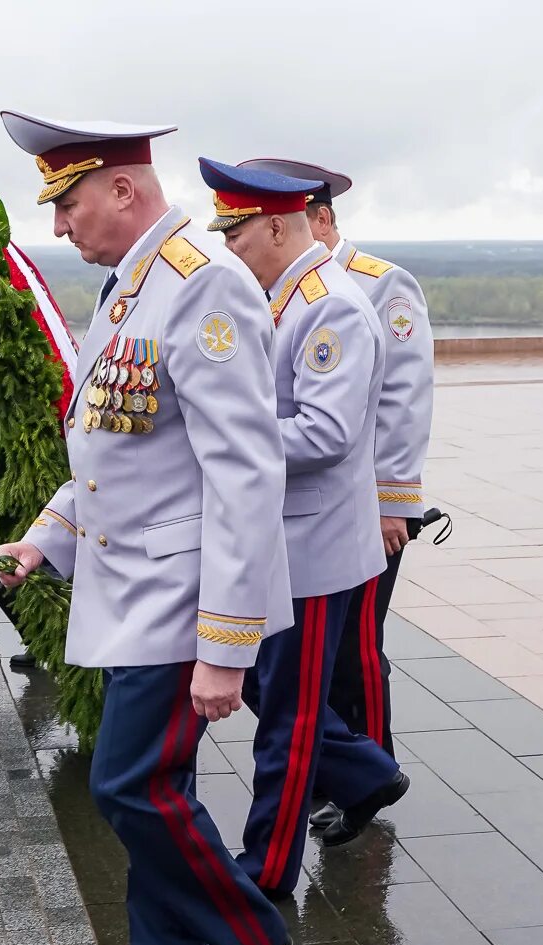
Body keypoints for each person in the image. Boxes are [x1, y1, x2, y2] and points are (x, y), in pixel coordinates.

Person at [0, 112, 294, 945]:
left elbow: (244, 477)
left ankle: (248, 940)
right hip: (131, 591)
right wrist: (44, 536)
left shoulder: (203, 288)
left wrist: (226, 646)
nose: (59, 226)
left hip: (179, 597)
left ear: (123, 190)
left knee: (132, 786)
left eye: (69, 202)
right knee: (149, 783)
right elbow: (114, 454)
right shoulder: (131, 289)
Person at [198, 158, 409, 883]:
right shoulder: (281, 295)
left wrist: (220, 444)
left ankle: (267, 868)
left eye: (235, 232)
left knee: (284, 721)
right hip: (281, 542)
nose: (228, 247)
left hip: (313, 547)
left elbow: (325, 434)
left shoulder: (330, 306)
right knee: (264, 689)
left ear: (277, 226)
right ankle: (362, 769)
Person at [239, 159, 436, 813]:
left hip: (361, 510)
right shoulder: (280, 291)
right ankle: (349, 771)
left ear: (319, 218)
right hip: (296, 513)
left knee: (355, 654)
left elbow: (401, 404)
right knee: (290, 670)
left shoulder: (379, 287)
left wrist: (394, 504)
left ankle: (370, 775)